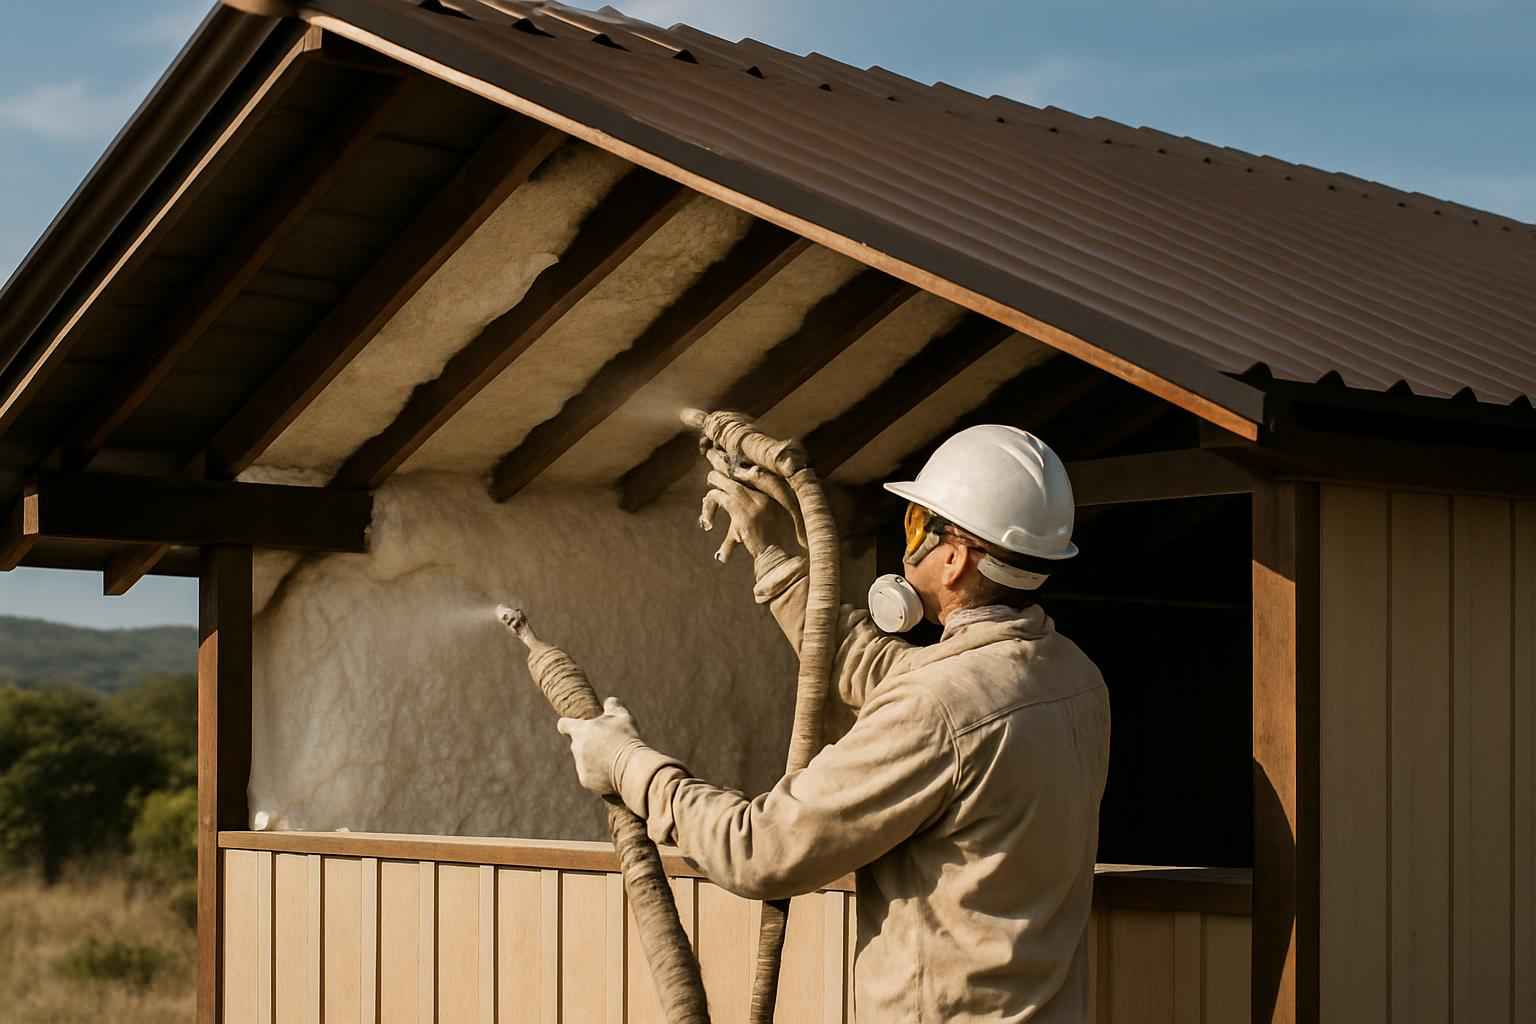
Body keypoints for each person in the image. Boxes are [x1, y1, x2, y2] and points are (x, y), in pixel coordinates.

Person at [558, 424, 1111, 1022]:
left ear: (953, 559)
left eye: (917, 524)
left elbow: (759, 850)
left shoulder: (939, 706)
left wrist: (624, 763)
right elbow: (879, 669)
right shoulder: (1072, 677)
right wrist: (773, 557)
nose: (909, 539)